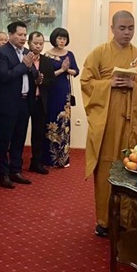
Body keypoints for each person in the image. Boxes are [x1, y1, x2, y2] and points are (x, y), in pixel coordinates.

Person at [80, 10, 137, 237]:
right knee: (107, 169)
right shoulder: (99, 54)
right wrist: (109, 84)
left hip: (135, 125)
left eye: (131, 28)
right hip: (108, 124)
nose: (127, 32)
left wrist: (135, 87)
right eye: (122, 28)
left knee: (134, 167)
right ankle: (105, 220)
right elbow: (86, 82)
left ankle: (129, 221)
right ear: (112, 28)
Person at [0, 21, 37, 189]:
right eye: (20, 34)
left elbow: (31, 73)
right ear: (10, 34)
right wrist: (24, 66)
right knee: (4, 140)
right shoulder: (1, 53)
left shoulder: (27, 52)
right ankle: (2, 174)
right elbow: (4, 76)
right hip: (7, 103)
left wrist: (35, 72)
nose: (23, 38)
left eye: (25, 35)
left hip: (24, 102)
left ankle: (15, 170)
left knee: (19, 138)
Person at [44, 27, 79, 168]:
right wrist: (62, 70)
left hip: (64, 92)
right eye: (59, 38)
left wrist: (68, 70)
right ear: (54, 39)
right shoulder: (47, 55)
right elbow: (47, 75)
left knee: (64, 124)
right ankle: (49, 158)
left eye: (64, 38)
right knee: (51, 122)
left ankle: (63, 158)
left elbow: (76, 71)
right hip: (52, 91)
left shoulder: (69, 54)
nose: (62, 41)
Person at [27, 31, 55, 174]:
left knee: (38, 133)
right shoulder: (23, 58)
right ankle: (14, 164)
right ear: (29, 43)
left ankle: (36, 162)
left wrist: (42, 81)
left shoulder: (46, 61)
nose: (38, 46)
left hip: (40, 101)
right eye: (35, 43)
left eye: (41, 43)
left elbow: (51, 81)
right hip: (25, 100)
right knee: (18, 133)